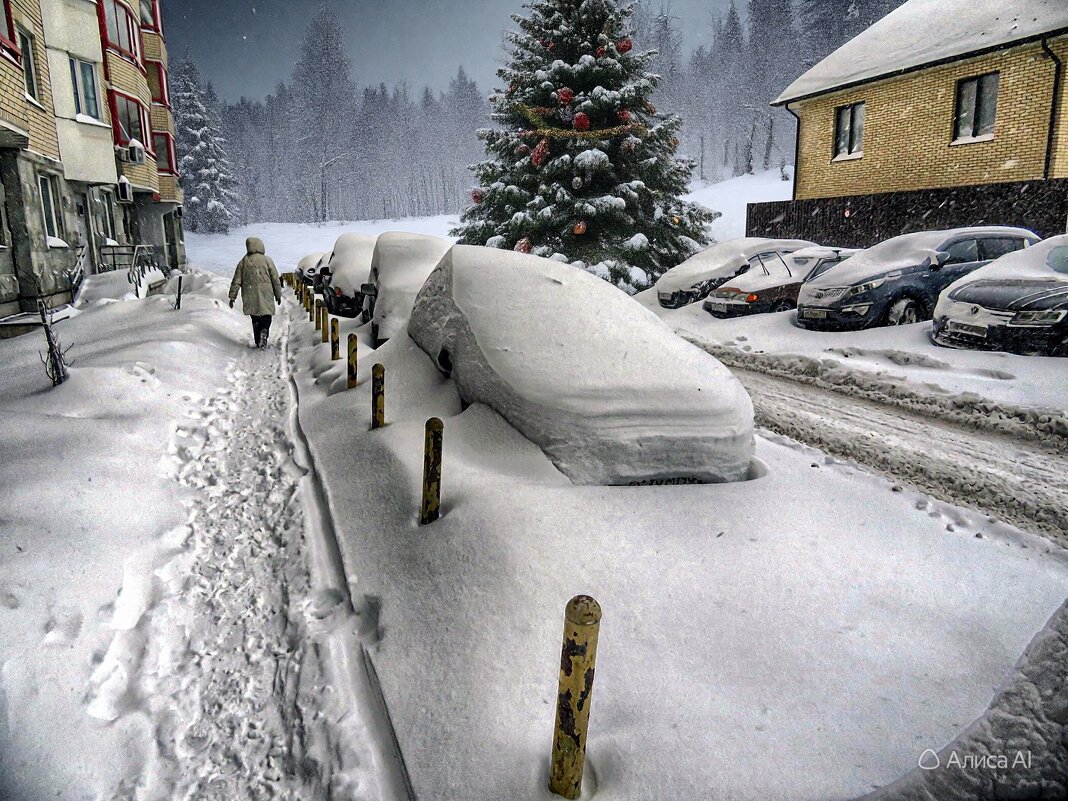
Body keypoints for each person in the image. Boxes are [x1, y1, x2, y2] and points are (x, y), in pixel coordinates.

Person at [229, 237, 282, 348]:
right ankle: (264, 330)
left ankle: (258, 340)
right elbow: (275, 279)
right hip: (266, 292)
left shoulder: (243, 262)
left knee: (255, 317)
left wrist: (232, 297)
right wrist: (278, 294)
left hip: (249, 293)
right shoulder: (267, 260)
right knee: (266, 315)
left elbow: (236, 281)